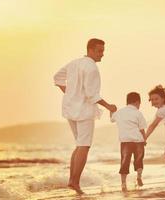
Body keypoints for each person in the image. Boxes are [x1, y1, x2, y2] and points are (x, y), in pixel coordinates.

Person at [53, 38, 117, 194]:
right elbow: (91, 94)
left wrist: (71, 94)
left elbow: (57, 78)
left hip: (70, 109)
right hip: (83, 111)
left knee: (79, 145)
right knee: (84, 146)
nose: (102, 54)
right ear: (90, 50)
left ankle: (71, 181)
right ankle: (75, 182)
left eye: (103, 50)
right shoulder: (92, 68)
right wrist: (109, 106)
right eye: (99, 50)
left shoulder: (74, 63)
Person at [110, 92, 147, 192]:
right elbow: (142, 129)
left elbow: (112, 119)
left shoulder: (119, 112)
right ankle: (139, 177)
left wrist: (111, 110)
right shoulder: (138, 113)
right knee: (139, 160)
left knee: (124, 162)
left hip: (125, 142)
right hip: (138, 141)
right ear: (137, 102)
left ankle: (123, 184)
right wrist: (144, 139)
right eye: (139, 103)